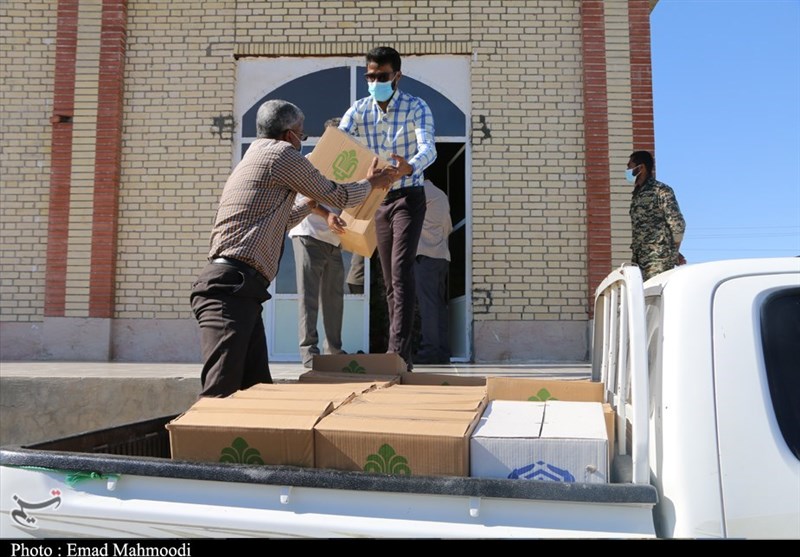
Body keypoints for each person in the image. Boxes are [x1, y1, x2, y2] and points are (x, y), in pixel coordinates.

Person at [190, 100, 399, 397]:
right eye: (302, 134)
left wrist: (309, 203)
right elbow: (340, 196)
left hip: (242, 290)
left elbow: (281, 219)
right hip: (229, 289)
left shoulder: (255, 155)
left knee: (256, 389)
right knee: (219, 393)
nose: (302, 141)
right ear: (289, 135)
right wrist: (371, 183)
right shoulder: (282, 153)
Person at [339, 46, 437, 370]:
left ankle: (397, 354)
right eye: (370, 76)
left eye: (382, 77)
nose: (375, 82)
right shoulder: (358, 110)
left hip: (409, 196)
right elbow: (337, 145)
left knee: (401, 269)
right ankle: (400, 354)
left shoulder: (416, 106)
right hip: (379, 200)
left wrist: (409, 166)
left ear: (397, 76)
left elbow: (429, 148)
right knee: (389, 279)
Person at [289, 117, 349, 368]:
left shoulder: (347, 166)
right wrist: (328, 215)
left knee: (334, 299)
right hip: (309, 235)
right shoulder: (310, 162)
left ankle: (334, 350)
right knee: (309, 296)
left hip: (334, 240)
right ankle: (309, 353)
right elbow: (305, 200)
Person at [627, 150, 686, 282]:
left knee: (656, 293)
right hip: (640, 259)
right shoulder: (637, 194)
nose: (627, 171)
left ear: (641, 168)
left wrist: (673, 251)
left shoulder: (660, 190)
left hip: (658, 261)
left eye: (630, 166)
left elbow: (678, 224)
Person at [413, 179, 452, 365]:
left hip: (425, 255)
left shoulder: (420, 193)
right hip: (441, 255)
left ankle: (429, 352)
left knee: (427, 306)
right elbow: (448, 227)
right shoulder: (440, 194)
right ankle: (442, 352)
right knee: (438, 306)